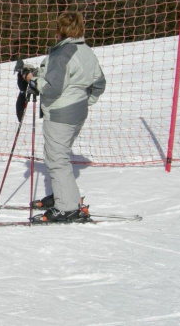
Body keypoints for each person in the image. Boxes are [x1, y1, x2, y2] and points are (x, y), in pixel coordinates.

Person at [22, 11, 106, 222]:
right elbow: (99, 82)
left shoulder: (60, 55)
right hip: (77, 112)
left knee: (56, 159)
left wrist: (32, 79)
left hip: (60, 114)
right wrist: (85, 101)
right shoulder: (85, 51)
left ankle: (67, 207)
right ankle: (64, 196)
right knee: (59, 155)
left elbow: (51, 89)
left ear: (60, 30)